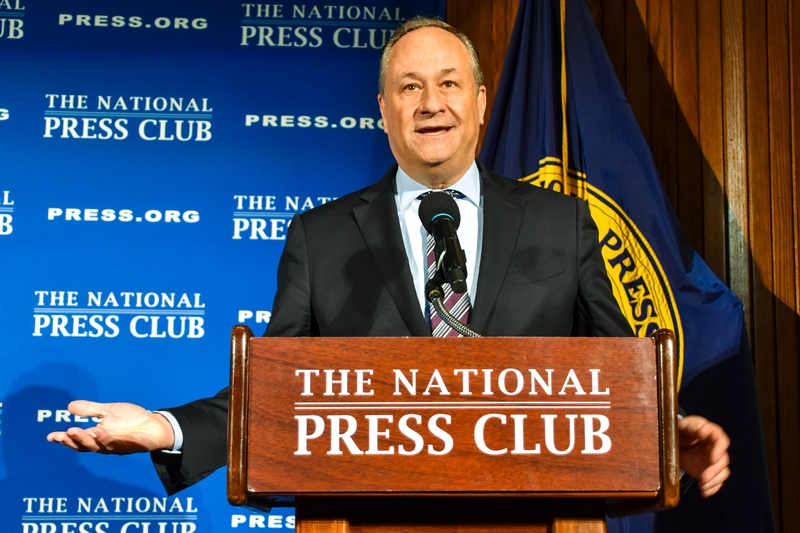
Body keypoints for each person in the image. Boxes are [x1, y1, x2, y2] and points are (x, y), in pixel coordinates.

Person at [48, 17, 730, 500]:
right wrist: (163, 427)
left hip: (536, 514)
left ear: (482, 102)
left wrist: (659, 431)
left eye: (449, 84)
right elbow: (279, 398)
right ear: (383, 108)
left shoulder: (562, 222)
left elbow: (608, 374)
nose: (431, 104)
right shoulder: (321, 238)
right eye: (409, 87)